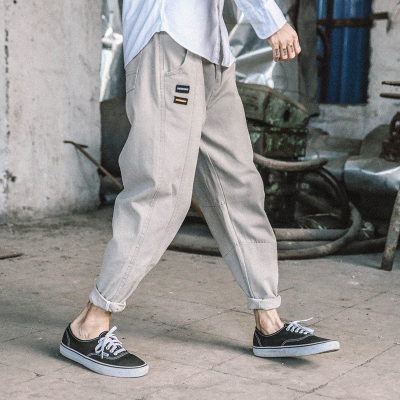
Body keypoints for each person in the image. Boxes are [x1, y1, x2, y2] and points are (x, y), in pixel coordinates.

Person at [60, 0, 340, 378]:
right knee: (161, 190)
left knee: (237, 187)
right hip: (171, 40)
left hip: (212, 50)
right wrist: (270, 19)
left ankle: (269, 323)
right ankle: (88, 326)